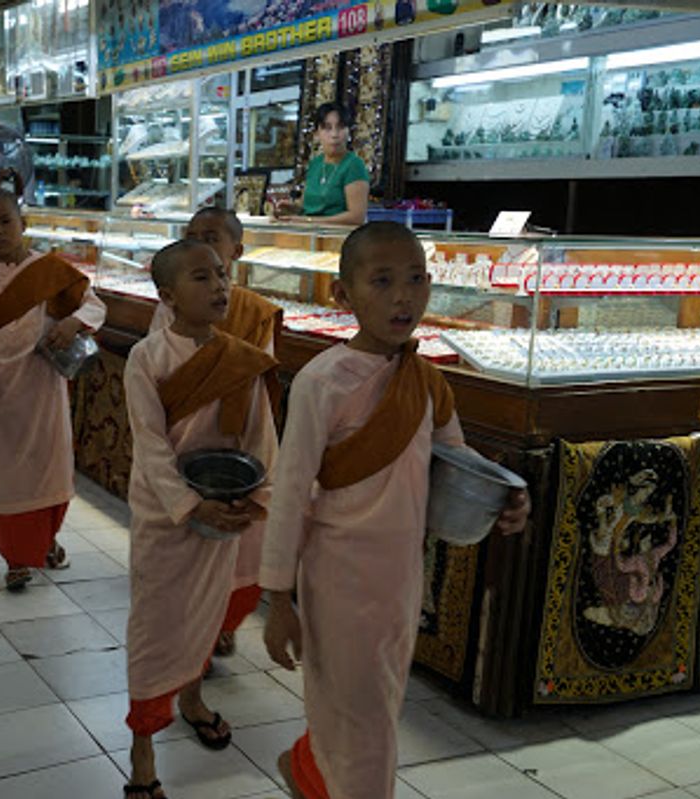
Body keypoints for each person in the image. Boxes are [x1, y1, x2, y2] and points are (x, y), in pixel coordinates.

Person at [260, 221, 531, 799]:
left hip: (401, 579)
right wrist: (277, 599)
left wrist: (509, 496)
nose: (403, 297)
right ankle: (324, 776)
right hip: (337, 578)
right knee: (365, 724)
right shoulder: (321, 382)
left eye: (415, 279)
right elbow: (289, 493)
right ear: (343, 294)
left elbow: (458, 464)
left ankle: (309, 770)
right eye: (382, 281)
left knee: (372, 707)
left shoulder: (426, 380)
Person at [121, 239, 278, 799]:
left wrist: (256, 500)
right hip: (165, 515)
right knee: (156, 625)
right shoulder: (147, 358)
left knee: (207, 613)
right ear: (167, 296)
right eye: (201, 278)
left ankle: (191, 697)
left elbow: (260, 438)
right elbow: (150, 445)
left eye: (221, 275)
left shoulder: (242, 359)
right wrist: (189, 506)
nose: (218, 287)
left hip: (225, 508)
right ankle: (142, 749)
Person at [148, 207, 282, 658]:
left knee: (242, 551)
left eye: (211, 238)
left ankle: (223, 624)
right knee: (188, 558)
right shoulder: (165, 314)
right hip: (182, 446)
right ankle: (192, 641)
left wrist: (264, 480)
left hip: (238, 448)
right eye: (191, 235)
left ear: (236, 252)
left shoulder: (255, 313)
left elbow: (256, 376)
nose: (199, 243)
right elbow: (162, 369)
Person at [0, 189, 106, 589]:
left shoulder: (51, 269)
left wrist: (73, 322)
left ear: (23, 223)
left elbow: (95, 305)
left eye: (5, 221)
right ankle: (16, 558)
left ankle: (46, 540)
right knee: (12, 477)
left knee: (52, 472)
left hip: (46, 387)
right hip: (4, 391)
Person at [276, 102, 369, 226]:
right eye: (327, 128)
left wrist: (308, 221)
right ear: (317, 133)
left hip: (337, 235)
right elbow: (309, 206)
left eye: (340, 127)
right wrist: (293, 208)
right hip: (309, 232)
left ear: (349, 132)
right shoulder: (315, 163)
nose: (334, 135)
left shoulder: (354, 165)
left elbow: (356, 217)